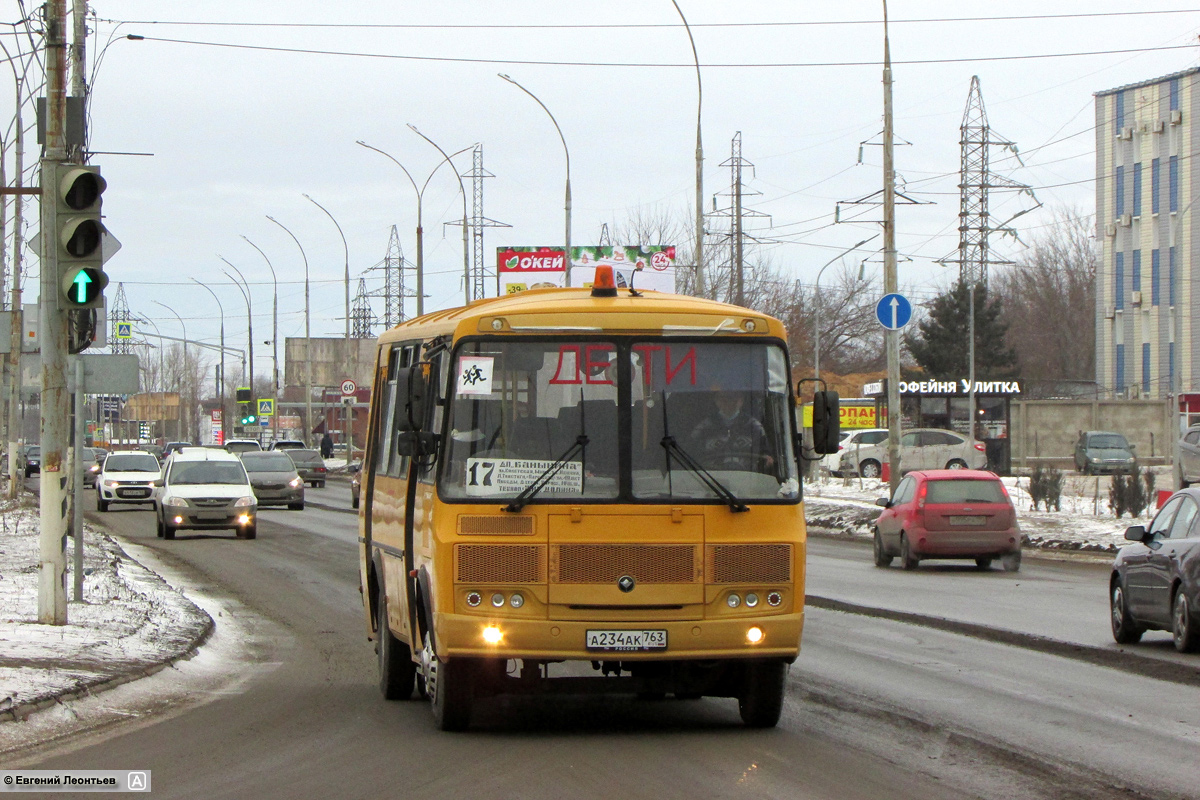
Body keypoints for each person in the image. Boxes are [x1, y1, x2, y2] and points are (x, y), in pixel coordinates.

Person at [688, 390, 773, 472]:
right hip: (712, 480)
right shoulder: (703, 428)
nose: (728, 401)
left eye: (732, 397)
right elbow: (691, 455)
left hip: (748, 479)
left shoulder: (755, 426)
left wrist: (767, 458)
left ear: (741, 401)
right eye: (723, 398)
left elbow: (766, 456)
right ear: (717, 401)